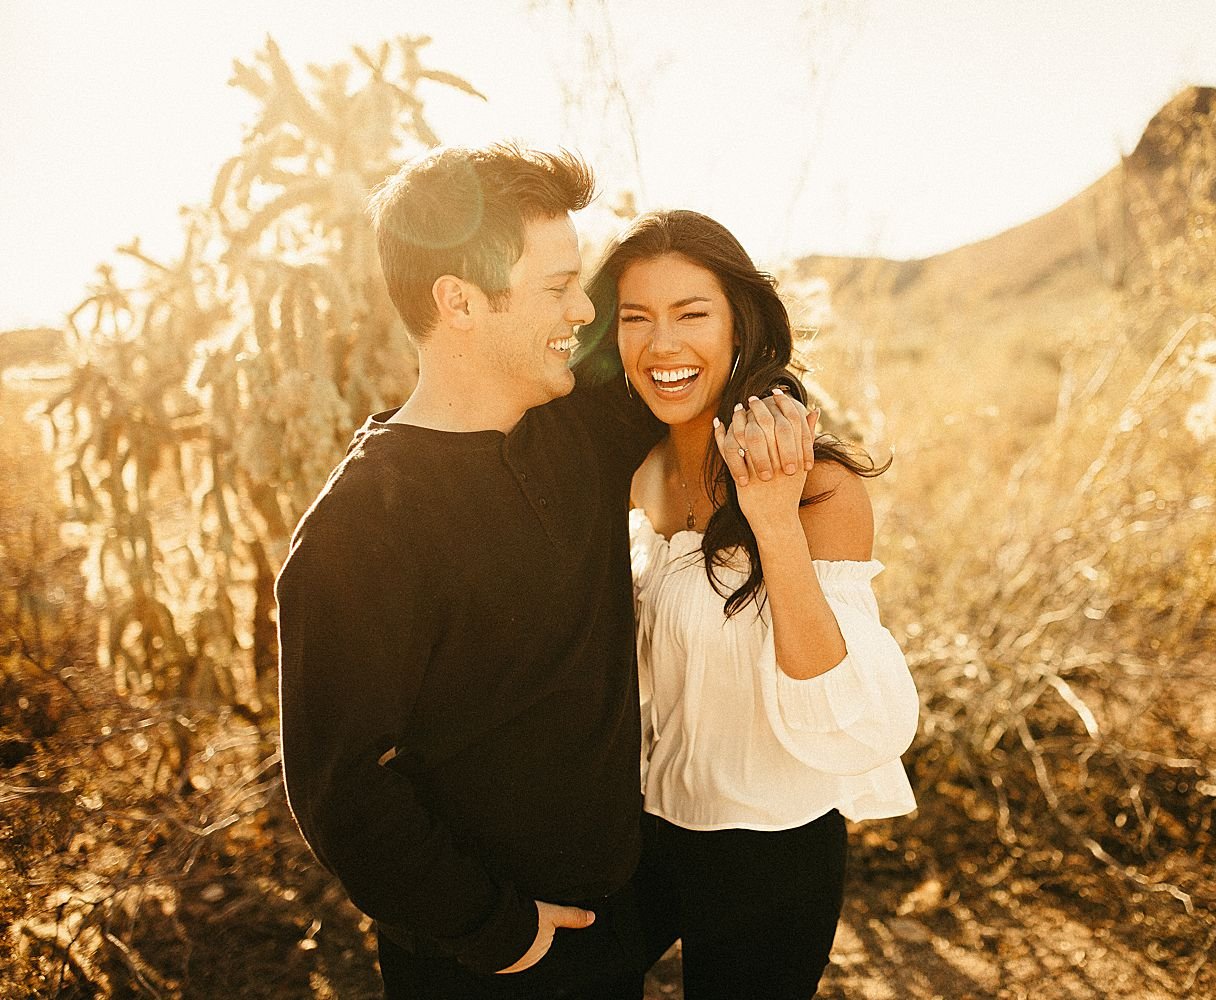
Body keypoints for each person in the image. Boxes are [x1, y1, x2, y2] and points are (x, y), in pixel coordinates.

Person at [275, 147, 812, 999]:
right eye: (557, 287)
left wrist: (773, 409)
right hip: (488, 961)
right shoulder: (359, 526)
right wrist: (497, 931)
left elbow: (682, 360)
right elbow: (338, 787)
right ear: (458, 301)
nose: (584, 310)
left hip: (609, 925)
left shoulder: (576, 431)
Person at [575, 210, 920, 1000]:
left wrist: (771, 517)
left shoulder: (822, 485)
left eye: (692, 314)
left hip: (774, 846)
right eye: (637, 319)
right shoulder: (639, 473)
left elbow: (830, 695)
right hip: (652, 826)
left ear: (740, 325)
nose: (663, 345)